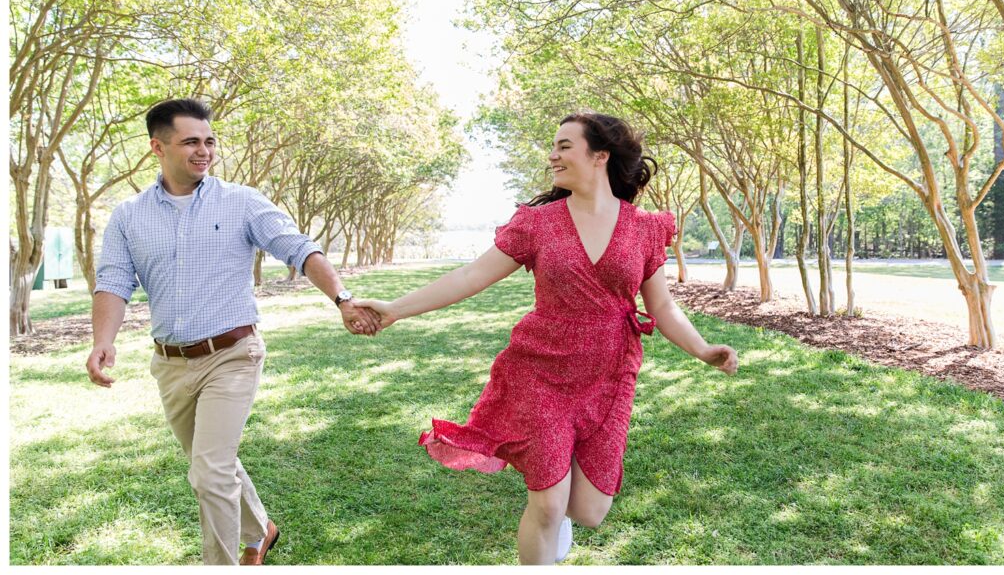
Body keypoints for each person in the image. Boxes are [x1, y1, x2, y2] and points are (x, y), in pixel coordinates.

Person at [352, 112, 739, 565]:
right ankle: (546, 514)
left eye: (564, 146)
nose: (552, 156)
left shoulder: (643, 228)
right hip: (541, 371)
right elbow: (472, 275)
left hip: (610, 374)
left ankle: (556, 505)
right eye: (552, 147)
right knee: (549, 504)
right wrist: (396, 309)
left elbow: (663, 307)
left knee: (590, 510)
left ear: (600, 156)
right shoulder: (538, 223)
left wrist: (703, 350)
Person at [85, 98, 381, 565]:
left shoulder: (240, 201)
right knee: (213, 465)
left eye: (209, 141)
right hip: (170, 362)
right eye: (190, 142)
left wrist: (342, 299)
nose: (204, 151)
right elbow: (114, 282)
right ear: (156, 148)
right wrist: (104, 340)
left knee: (209, 471)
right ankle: (261, 528)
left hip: (233, 353)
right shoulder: (128, 216)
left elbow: (298, 249)